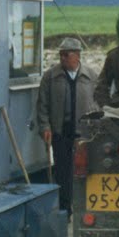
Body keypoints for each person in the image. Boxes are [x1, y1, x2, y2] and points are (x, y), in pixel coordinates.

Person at [36, 37, 98, 215]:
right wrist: (45, 127)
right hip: (60, 132)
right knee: (63, 172)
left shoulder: (91, 76)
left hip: (84, 134)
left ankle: (85, 209)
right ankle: (65, 210)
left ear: (77, 55)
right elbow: (42, 106)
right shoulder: (50, 77)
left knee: (84, 171)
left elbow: (99, 103)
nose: (62, 58)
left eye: (66, 55)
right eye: (60, 55)